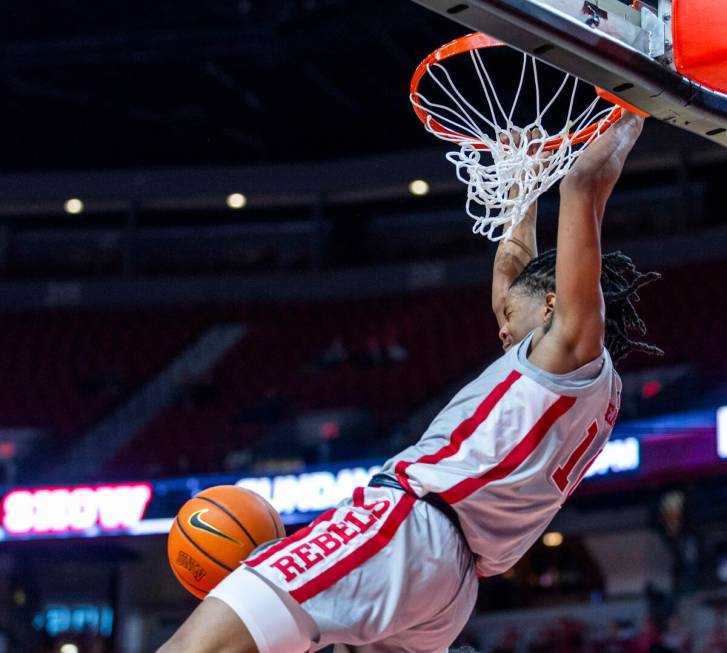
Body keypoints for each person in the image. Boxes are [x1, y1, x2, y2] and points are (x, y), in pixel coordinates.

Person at [157, 112, 660, 653]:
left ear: (556, 305)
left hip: (408, 531)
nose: (500, 325)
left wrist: (631, 101)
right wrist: (522, 188)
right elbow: (509, 280)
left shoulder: (573, 345)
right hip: (449, 590)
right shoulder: (578, 387)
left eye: (510, 316)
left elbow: (585, 187)